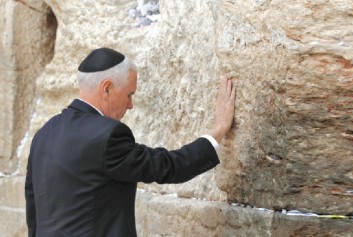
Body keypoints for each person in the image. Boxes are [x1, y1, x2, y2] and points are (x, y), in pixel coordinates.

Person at [25, 47, 236, 237]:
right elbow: (168, 166)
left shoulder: (44, 133)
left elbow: (33, 210)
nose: (131, 105)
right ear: (107, 88)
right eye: (129, 94)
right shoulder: (108, 135)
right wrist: (218, 129)